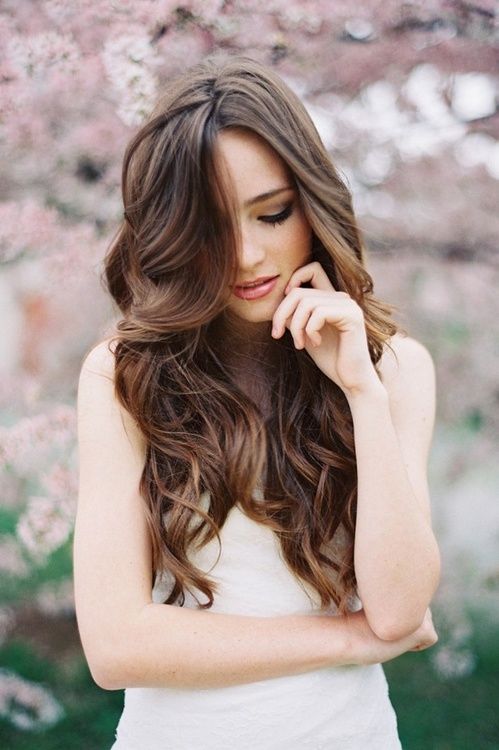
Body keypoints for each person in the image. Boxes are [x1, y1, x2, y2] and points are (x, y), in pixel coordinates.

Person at [73, 54, 441, 750]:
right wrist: (347, 640)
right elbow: (116, 644)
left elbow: (398, 610)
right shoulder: (125, 376)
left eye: (272, 213)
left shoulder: (395, 369)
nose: (246, 254)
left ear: (312, 201)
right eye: (211, 224)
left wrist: (359, 389)